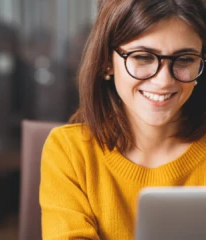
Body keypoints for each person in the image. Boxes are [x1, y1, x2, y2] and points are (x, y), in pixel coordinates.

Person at [39, 0, 206, 239]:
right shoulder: (69, 151)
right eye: (143, 57)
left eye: (185, 59)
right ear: (107, 61)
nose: (164, 81)